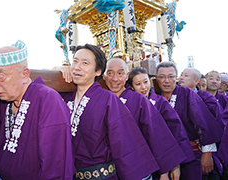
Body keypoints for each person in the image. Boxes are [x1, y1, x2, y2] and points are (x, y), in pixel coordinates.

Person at [0, 40, 74, 179]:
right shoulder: (2, 102)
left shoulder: (47, 100)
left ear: (25, 74)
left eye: (0, 75)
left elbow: (56, 168)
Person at [55, 44, 159, 179]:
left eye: (85, 63)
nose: (77, 67)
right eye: (75, 61)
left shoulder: (108, 99)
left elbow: (125, 143)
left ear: (98, 71)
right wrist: (57, 70)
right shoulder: (65, 99)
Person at [102, 58, 188, 180]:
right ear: (104, 76)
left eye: (120, 73)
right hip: (110, 170)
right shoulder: (101, 100)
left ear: (127, 76)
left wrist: (165, 170)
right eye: (110, 73)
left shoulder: (139, 100)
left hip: (138, 169)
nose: (115, 78)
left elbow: (156, 134)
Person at [155, 61, 223, 180]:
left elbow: (203, 122)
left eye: (171, 77)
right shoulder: (154, 98)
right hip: (165, 156)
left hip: (191, 154)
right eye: (162, 77)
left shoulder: (186, 93)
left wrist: (207, 153)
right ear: (156, 79)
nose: (166, 81)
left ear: (176, 77)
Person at [179, 68, 225, 179]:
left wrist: (208, 151)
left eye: (186, 75)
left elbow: (214, 125)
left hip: (201, 150)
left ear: (196, 82)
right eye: (181, 75)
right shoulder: (173, 96)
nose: (181, 78)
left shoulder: (206, 98)